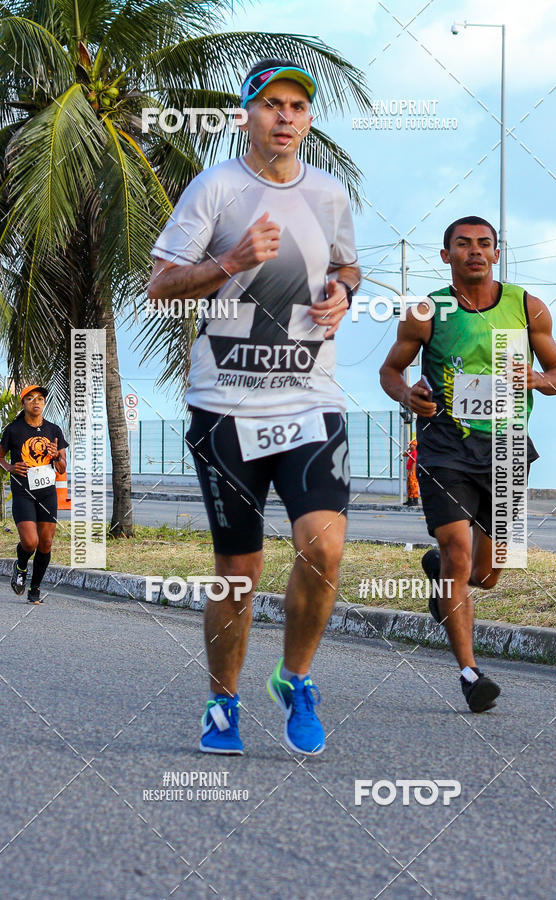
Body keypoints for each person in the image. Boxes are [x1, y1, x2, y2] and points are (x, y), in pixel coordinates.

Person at [147, 58, 360, 755]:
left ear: (307, 119)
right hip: (224, 409)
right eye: (273, 104)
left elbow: (347, 264)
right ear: (246, 115)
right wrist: (231, 261)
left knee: (323, 547)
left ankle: (294, 679)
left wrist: (345, 293)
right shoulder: (215, 189)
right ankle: (222, 701)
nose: (286, 117)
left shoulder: (329, 195)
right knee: (239, 572)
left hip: (309, 400)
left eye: (298, 106)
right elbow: (161, 285)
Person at [380, 216, 556, 712]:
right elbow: (391, 371)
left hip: (506, 447)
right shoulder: (428, 310)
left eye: (484, 244)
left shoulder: (527, 307)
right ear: (447, 256)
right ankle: (470, 673)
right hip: (446, 446)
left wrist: (532, 378)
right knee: (460, 553)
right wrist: (409, 395)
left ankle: (440, 574)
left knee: (487, 573)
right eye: (463, 245)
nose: (475, 252)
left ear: (497, 254)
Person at [0, 386, 68, 604]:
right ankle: (20, 567)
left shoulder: (54, 430)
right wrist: (10, 467)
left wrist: (56, 455)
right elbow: (0, 457)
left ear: (44, 403)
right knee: (30, 543)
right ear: (23, 404)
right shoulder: (13, 430)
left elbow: (62, 467)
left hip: (47, 494)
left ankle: (35, 589)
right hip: (23, 492)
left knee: (45, 543)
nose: (36, 402)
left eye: (40, 399)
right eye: (30, 399)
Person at [403, 437, 419, 506]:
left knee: (413, 485)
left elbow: (414, 462)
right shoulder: (411, 452)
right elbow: (404, 455)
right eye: (409, 445)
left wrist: (412, 471)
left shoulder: (415, 452)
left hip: (413, 471)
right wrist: (409, 449)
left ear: (415, 445)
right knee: (409, 485)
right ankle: (409, 500)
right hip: (409, 470)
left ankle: (415, 500)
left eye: (411, 445)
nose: (409, 446)